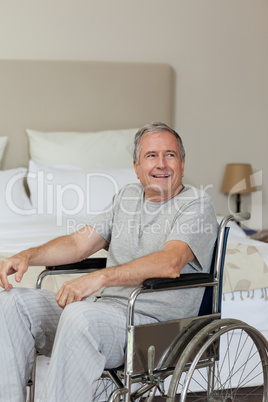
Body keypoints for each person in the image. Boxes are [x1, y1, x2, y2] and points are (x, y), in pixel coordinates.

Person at [0, 122, 218, 401]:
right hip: (105, 315)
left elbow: (170, 262)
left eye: (170, 155)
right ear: (137, 167)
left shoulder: (196, 204)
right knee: (12, 303)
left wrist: (100, 277)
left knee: (80, 316)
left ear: (183, 164)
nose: (161, 164)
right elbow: (79, 244)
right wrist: (27, 256)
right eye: (151, 156)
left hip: (153, 327)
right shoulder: (127, 197)